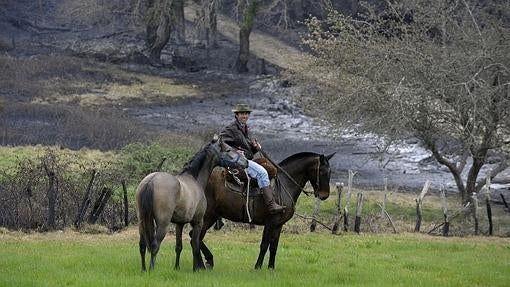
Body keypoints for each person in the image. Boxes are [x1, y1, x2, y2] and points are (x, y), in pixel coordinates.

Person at [220, 103, 285, 214]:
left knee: (271, 168)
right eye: (241, 113)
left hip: (246, 160)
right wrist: (234, 152)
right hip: (238, 163)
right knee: (262, 173)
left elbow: (248, 150)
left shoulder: (246, 128)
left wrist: (255, 148)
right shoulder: (231, 128)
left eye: (246, 113)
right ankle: (271, 205)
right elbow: (220, 142)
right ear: (236, 115)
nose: (244, 116)